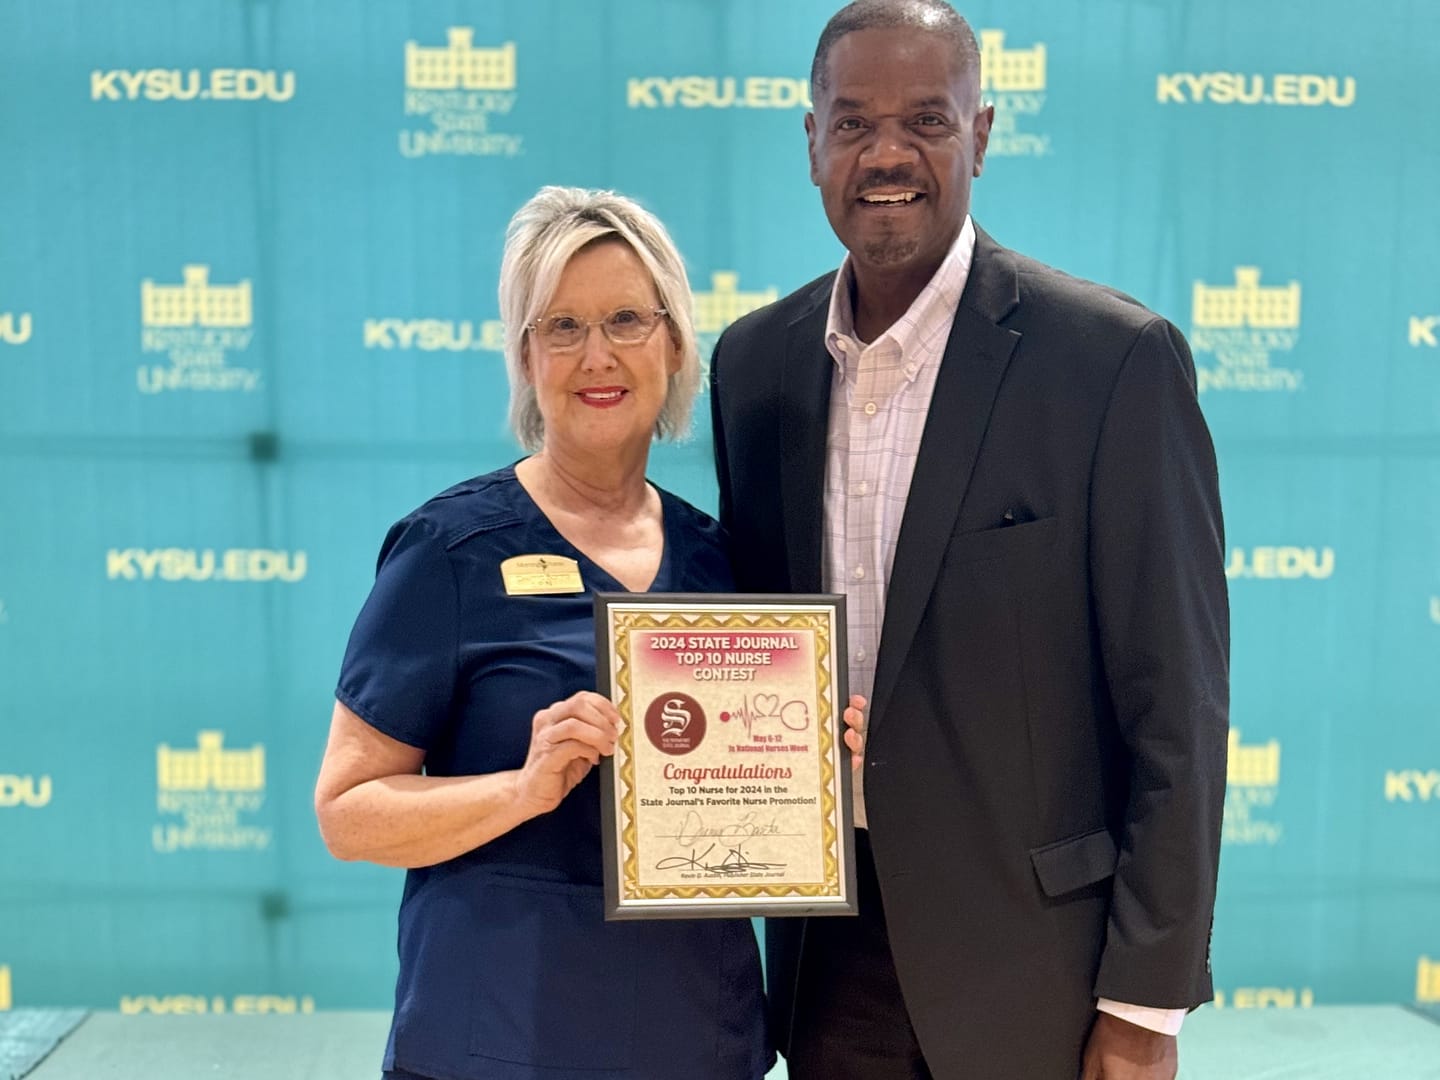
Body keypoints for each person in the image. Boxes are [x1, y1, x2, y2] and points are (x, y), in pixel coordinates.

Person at [709, 3, 1230, 1078]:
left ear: (981, 135)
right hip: (827, 962)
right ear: (808, 142)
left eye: (926, 122)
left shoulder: (1111, 363)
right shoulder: (753, 366)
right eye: (852, 123)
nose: (887, 154)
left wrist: (1145, 1004)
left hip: (1042, 974)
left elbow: (1175, 707)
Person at [316, 186, 861, 1080]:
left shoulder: (726, 565)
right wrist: (519, 790)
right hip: (496, 1045)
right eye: (561, 327)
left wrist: (824, 766)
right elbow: (346, 813)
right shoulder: (451, 552)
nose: (596, 354)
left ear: (676, 344)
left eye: (625, 320)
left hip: (697, 1042)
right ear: (526, 358)